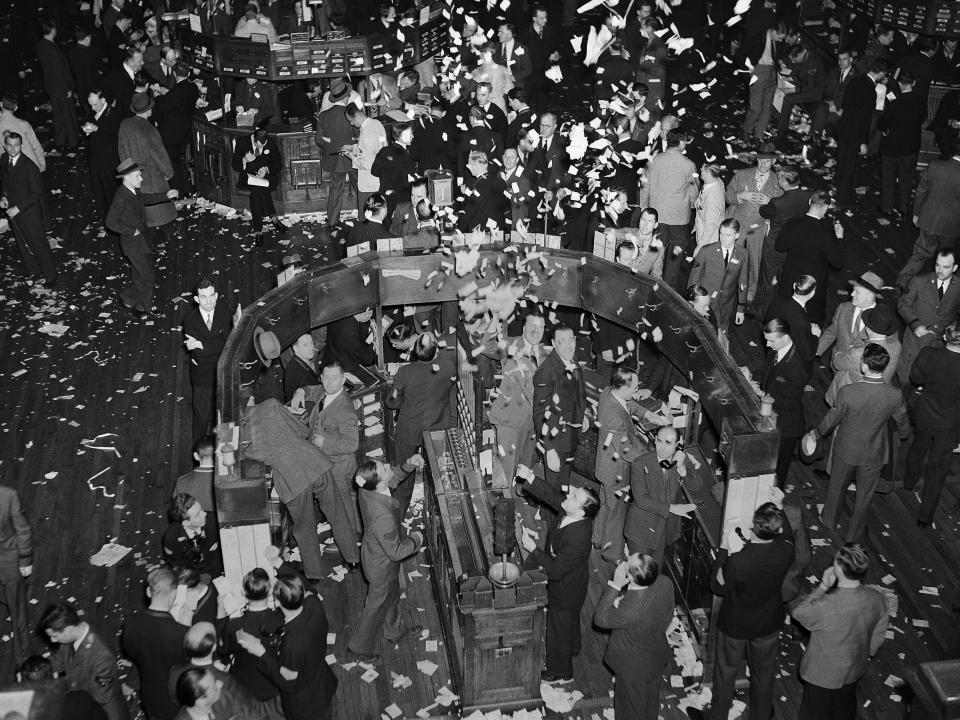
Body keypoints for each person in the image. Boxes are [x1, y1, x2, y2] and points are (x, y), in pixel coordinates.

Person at [690, 503, 795, 720]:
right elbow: (789, 536)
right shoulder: (786, 550)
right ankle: (761, 714)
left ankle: (717, 716)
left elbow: (717, 586)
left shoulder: (739, 561)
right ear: (778, 529)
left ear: (752, 526)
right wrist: (780, 506)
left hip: (736, 625)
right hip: (768, 622)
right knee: (763, 674)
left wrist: (723, 548)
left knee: (726, 672)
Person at [804, 343, 910, 542]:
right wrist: (905, 433)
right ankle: (854, 533)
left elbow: (832, 418)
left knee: (836, 487)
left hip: (846, 449)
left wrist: (816, 434)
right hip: (875, 453)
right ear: (884, 367)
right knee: (864, 497)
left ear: (864, 365)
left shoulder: (849, 391)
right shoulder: (895, 394)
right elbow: (902, 419)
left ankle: (829, 521)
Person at [516, 463, 599, 684]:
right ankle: (572, 647)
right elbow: (552, 496)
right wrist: (530, 478)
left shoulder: (577, 540)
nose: (568, 494)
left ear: (581, 511)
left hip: (566, 589)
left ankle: (560, 672)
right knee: (567, 622)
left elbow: (555, 571)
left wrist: (532, 548)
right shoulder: (573, 511)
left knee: (557, 625)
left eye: (573, 496)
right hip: (575, 582)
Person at [792, 544, 889, 718]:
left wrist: (822, 586)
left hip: (823, 673)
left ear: (839, 570)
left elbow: (799, 613)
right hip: (854, 667)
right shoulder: (878, 597)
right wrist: (866, 656)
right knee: (844, 707)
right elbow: (878, 636)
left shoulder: (826, 605)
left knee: (815, 712)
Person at [347, 456, 426, 662]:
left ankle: (393, 631)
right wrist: (416, 538)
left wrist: (408, 462)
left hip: (378, 558)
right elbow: (396, 552)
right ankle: (359, 647)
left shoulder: (367, 489)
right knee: (374, 608)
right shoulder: (382, 517)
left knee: (391, 597)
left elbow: (392, 477)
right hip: (381, 567)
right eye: (385, 468)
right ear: (379, 483)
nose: (389, 466)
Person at [235, 574, 339, 720]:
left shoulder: (291, 646)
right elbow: (308, 587)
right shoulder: (314, 605)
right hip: (323, 686)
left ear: (276, 602)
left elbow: (289, 684)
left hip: (307, 707)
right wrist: (280, 564)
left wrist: (261, 653)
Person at [291, 361, 362, 569]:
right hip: (329, 465)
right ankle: (356, 533)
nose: (329, 382)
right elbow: (312, 390)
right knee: (347, 503)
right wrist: (300, 392)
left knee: (342, 512)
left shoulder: (345, 410)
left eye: (334, 378)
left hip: (338, 468)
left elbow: (352, 443)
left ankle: (352, 557)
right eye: (325, 377)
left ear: (343, 380)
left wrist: (325, 443)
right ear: (321, 377)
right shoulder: (324, 391)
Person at [593, 553, 674, 719]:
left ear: (630, 577)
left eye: (628, 560)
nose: (626, 557)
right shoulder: (665, 583)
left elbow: (600, 618)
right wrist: (624, 601)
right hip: (656, 655)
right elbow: (667, 615)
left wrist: (615, 585)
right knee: (651, 702)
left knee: (630, 711)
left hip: (633, 668)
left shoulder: (631, 611)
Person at [386, 331, 457, 516]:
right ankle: (439, 513)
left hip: (408, 428)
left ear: (416, 351)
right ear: (435, 352)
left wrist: (407, 402)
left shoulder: (404, 372)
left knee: (403, 473)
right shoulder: (448, 367)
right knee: (438, 473)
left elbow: (391, 401)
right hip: (437, 427)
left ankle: (399, 514)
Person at [903, 323, 960, 528]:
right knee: (938, 470)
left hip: (925, 413)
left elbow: (915, 378)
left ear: (946, 337)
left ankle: (908, 482)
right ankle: (924, 517)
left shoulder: (927, 353)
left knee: (917, 449)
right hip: (950, 424)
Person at [593, 368, 650, 564]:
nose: (636, 390)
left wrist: (648, 414)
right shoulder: (612, 417)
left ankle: (597, 539)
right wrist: (650, 458)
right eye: (634, 388)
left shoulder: (609, 392)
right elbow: (626, 449)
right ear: (623, 387)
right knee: (616, 512)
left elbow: (628, 406)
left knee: (604, 505)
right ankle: (612, 554)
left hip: (605, 465)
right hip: (615, 471)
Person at [106, 159, 175, 319]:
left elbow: (147, 199)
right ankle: (137, 304)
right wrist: (131, 230)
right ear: (127, 177)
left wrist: (166, 195)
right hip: (133, 244)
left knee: (139, 276)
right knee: (148, 277)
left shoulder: (134, 191)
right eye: (138, 176)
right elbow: (110, 221)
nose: (141, 179)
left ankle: (136, 304)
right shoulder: (121, 197)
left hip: (140, 242)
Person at [624, 425, 700, 564]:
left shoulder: (680, 459)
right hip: (642, 530)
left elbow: (696, 485)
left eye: (668, 443)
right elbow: (641, 500)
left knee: (656, 572)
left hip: (664, 529)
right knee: (638, 575)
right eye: (659, 441)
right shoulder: (640, 464)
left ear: (678, 444)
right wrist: (673, 508)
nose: (662, 447)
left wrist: (682, 468)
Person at [39, 602, 129, 720]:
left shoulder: (102, 656)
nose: (53, 640)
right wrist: (37, 669)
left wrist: (67, 705)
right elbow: (59, 661)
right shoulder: (71, 636)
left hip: (100, 712)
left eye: (55, 636)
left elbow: (99, 698)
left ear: (68, 629)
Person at [122, 567, 190, 720]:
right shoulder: (182, 633)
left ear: (148, 592)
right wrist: (186, 628)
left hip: (150, 697)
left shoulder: (130, 623)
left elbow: (132, 652)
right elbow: (189, 662)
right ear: (174, 594)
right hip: (177, 702)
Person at [489, 312, 547, 483]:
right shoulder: (509, 345)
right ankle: (504, 504)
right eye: (532, 327)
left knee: (526, 465)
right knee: (506, 470)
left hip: (535, 420)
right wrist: (494, 318)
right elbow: (487, 346)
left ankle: (522, 495)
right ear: (523, 328)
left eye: (540, 327)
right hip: (510, 418)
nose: (536, 331)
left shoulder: (547, 353)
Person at [219, 568, 284, 719]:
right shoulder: (281, 620)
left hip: (246, 687)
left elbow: (223, 650)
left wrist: (221, 617)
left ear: (243, 592)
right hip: (275, 686)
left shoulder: (234, 626)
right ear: (269, 592)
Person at [896, 139, 960, 290]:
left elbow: (921, 191)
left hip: (929, 218)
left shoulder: (934, 165)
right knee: (946, 258)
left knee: (919, 253)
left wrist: (917, 213)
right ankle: (940, 290)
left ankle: (901, 284)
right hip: (952, 224)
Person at [755, 319, 811, 486]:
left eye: (771, 340)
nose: (767, 344)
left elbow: (790, 403)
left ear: (785, 338)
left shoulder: (798, 366)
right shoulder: (775, 351)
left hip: (786, 426)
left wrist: (762, 395)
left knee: (776, 473)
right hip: (772, 417)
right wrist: (748, 375)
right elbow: (764, 373)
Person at [724, 143, 782, 303]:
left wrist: (770, 201)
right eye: (761, 160)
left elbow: (783, 206)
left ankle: (748, 296)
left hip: (759, 228)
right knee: (731, 259)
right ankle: (727, 290)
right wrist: (740, 196)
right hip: (738, 224)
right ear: (756, 159)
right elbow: (727, 195)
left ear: (773, 162)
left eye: (768, 161)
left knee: (754, 264)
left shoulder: (779, 181)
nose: (764, 164)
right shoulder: (742, 174)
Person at [896, 249, 960, 391]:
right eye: (937, 265)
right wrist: (915, 325)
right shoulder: (919, 281)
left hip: (939, 343)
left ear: (955, 268)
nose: (940, 271)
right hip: (915, 341)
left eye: (946, 267)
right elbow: (903, 305)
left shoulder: (958, 286)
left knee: (930, 378)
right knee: (906, 377)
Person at [533, 324, 586, 493]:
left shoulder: (572, 358)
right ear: (554, 344)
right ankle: (553, 519)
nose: (568, 345)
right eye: (562, 342)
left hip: (570, 436)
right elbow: (540, 414)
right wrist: (549, 450)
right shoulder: (546, 371)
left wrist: (581, 415)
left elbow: (576, 393)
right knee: (555, 492)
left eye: (571, 340)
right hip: (556, 442)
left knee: (562, 485)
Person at [119, 92, 178, 242]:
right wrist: (168, 173)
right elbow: (159, 154)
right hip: (151, 174)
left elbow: (121, 150)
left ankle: (149, 235)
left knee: (141, 206)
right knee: (160, 207)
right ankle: (167, 232)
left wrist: (128, 172)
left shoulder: (125, 124)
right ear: (148, 110)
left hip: (131, 172)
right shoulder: (149, 130)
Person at [777, 191, 844, 325]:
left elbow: (779, 246)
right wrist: (840, 238)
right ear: (826, 207)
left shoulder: (791, 223)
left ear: (809, 202)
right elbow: (838, 262)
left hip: (790, 278)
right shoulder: (825, 234)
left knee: (785, 317)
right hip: (813, 284)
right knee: (810, 320)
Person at [0, 133, 57, 287]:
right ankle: (34, 270)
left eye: (16, 145)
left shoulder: (29, 167)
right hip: (14, 211)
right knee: (22, 242)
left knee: (38, 243)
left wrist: (17, 208)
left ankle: (50, 275)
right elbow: (5, 182)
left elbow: (37, 193)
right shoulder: (4, 159)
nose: (13, 148)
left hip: (29, 212)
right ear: (4, 146)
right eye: (9, 145)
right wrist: (3, 196)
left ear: (21, 146)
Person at [644, 129, 698, 288]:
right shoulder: (688, 164)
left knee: (656, 247)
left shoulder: (654, 159)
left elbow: (645, 186)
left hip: (657, 213)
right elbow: (693, 190)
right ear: (681, 143)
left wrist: (644, 208)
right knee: (677, 249)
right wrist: (695, 204)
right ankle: (668, 285)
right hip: (678, 217)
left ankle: (648, 278)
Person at [756, 165, 813, 315]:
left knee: (769, 281)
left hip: (775, 245)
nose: (778, 180)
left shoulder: (777, 203)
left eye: (779, 178)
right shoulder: (808, 197)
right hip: (795, 246)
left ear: (785, 183)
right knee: (788, 280)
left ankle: (765, 312)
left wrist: (768, 201)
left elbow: (764, 212)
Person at [183, 278, 233, 442]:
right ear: (197, 299)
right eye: (203, 297)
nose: (209, 301)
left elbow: (226, 342)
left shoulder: (225, 313)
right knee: (201, 416)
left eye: (211, 296)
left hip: (224, 373)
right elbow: (198, 352)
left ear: (217, 295)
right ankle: (200, 452)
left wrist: (201, 344)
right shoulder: (190, 319)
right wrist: (211, 345)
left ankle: (226, 449)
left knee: (225, 414)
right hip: (202, 376)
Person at [835, 58, 890, 206]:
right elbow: (865, 119)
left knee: (841, 163)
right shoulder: (870, 91)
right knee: (850, 166)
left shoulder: (855, 81)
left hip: (843, 127)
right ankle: (844, 198)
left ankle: (839, 192)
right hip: (855, 133)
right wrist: (863, 142)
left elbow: (845, 103)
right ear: (881, 73)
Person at [824, 304, 900, 407]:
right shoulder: (896, 346)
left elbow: (837, 363)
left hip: (851, 398)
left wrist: (838, 350)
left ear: (868, 328)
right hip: (878, 399)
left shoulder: (859, 352)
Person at [875, 71, 926, 220]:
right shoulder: (921, 102)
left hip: (892, 145)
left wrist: (885, 128)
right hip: (911, 145)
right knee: (907, 178)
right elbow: (922, 119)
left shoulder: (895, 104)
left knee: (888, 177)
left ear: (899, 83)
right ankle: (904, 208)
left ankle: (887, 208)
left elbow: (882, 123)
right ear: (913, 83)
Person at [688, 219, 749, 332]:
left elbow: (743, 282)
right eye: (721, 234)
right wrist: (694, 304)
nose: (723, 238)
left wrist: (741, 308)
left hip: (726, 304)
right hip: (705, 303)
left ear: (737, 235)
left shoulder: (743, 254)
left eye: (728, 235)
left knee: (721, 333)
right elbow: (694, 280)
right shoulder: (706, 251)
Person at [816, 270, 882, 373]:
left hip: (860, 372)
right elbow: (833, 331)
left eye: (857, 292)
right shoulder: (844, 308)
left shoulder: (882, 319)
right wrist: (815, 350)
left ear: (869, 296)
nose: (852, 294)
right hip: (838, 365)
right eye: (853, 290)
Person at [315, 79, 358, 229]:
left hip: (334, 159)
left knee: (335, 190)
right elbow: (359, 136)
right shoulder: (353, 114)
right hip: (353, 159)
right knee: (360, 188)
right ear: (346, 96)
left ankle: (332, 222)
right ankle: (365, 219)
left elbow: (319, 139)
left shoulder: (324, 115)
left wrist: (331, 146)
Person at [231, 122, 282, 245]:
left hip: (266, 177)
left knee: (256, 193)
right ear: (253, 139)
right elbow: (235, 165)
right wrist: (244, 160)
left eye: (262, 146)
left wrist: (266, 169)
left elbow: (278, 164)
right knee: (259, 189)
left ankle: (258, 230)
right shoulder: (243, 143)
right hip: (248, 177)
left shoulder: (270, 143)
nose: (260, 149)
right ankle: (274, 218)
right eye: (258, 146)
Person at [154, 62, 200, 196]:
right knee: (180, 160)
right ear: (189, 74)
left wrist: (158, 96)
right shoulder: (193, 88)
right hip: (185, 131)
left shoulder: (175, 92)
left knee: (173, 162)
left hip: (171, 133)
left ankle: (178, 191)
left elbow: (163, 107)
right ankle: (188, 189)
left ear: (174, 74)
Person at [737, 21, 786, 144]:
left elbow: (776, 54)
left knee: (767, 106)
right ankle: (746, 130)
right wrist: (747, 69)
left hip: (772, 72)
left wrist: (780, 62)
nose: (780, 40)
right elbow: (739, 53)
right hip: (759, 71)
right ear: (774, 32)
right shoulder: (758, 38)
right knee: (756, 107)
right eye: (779, 37)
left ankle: (759, 135)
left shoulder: (776, 41)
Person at [0, 483, 32, 668]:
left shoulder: (8, 495)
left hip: (8, 557)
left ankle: (24, 660)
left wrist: (25, 559)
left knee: (17, 609)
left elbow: (23, 530)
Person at [36, 21, 80, 149]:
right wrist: (67, 88)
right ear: (52, 30)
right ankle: (73, 140)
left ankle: (60, 140)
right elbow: (58, 70)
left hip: (50, 85)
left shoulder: (40, 44)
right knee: (68, 113)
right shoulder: (50, 47)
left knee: (59, 114)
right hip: (60, 86)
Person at [162, 492, 224, 578]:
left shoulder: (215, 521)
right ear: (186, 522)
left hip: (217, 568)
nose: (204, 514)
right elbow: (176, 564)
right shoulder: (171, 537)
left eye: (201, 509)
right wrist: (193, 578)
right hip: (190, 574)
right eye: (198, 514)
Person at [83, 88, 122, 219]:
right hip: (96, 159)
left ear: (103, 100)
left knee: (110, 190)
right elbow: (90, 121)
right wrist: (88, 126)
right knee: (99, 191)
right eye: (91, 104)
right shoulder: (94, 112)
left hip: (108, 161)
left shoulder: (113, 115)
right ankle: (103, 215)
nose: (92, 108)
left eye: (95, 104)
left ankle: (115, 216)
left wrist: (97, 130)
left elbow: (115, 139)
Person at [765, 275, 820, 365]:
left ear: (794, 286)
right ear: (812, 293)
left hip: (771, 353)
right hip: (787, 365)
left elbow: (768, 323)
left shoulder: (778, 299)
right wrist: (815, 336)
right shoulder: (802, 322)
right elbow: (808, 355)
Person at [345, 103, 387, 210]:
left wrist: (351, 157)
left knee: (366, 216)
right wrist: (355, 147)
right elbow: (375, 146)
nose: (351, 123)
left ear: (358, 117)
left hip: (369, 183)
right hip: (381, 177)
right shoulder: (376, 123)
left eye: (351, 120)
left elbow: (367, 164)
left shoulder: (367, 134)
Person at [371, 122, 415, 221]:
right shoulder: (405, 157)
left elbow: (374, 171)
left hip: (385, 199)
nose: (413, 136)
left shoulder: (384, 151)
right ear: (403, 136)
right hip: (400, 201)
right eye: (411, 134)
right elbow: (407, 183)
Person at [457, 150, 509, 232]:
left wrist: (458, 230)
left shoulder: (479, 185)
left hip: (481, 234)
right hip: (499, 231)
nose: (468, 168)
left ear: (477, 166)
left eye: (469, 165)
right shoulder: (500, 181)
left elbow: (469, 213)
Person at [520, 6, 560, 113]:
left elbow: (552, 47)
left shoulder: (549, 30)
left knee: (543, 105)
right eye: (542, 18)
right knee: (524, 103)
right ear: (534, 19)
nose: (545, 20)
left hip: (545, 74)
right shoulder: (525, 35)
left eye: (546, 17)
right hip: (531, 75)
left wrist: (555, 54)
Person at [69, 26, 109, 117]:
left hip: (82, 89)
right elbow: (103, 68)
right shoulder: (89, 53)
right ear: (87, 38)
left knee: (89, 115)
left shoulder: (72, 52)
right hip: (94, 90)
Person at [0, 95, 46, 172]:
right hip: (29, 164)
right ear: (16, 108)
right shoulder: (24, 124)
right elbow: (35, 146)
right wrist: (42, 164)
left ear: (1, 104)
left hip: (8, 167)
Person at [457, 105, 503, 179]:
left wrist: (460, 178)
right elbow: (500, 160)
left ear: (473, 118)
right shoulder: (496, 137)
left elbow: (460, 161)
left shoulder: (464, 137)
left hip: (470, 177)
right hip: (491, 177)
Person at [96, 47, 142, 121]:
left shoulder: (140, 70)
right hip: (125, 118)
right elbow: (97, 86)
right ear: (131, 62)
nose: (142, 63)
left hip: (138, 113)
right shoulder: (114, 74)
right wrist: (111, 100)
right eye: (140, 61)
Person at [175, 436, 216, 513]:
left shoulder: (181, 481)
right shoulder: (223, 481)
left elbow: (178, 509)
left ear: (196, 456)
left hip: (194, 524)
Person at [694, 163, 725, 252]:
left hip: (709, 236)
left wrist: (700, 245)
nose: (700, 170)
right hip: (704, 225)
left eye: (702, 170)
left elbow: (711, 224)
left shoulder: (713, 197)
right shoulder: (715, 181)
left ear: (708, 174)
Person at [284, 333, 320, 401]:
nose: (311, 347)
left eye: (312, 343)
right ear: (295, 348)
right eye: (305, 345)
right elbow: (314, 393)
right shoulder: (297, 372)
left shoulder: (299, 361)